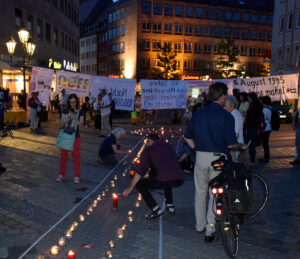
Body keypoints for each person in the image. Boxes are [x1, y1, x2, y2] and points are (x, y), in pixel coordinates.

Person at [185, 82, 243, 243]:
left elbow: (187, 137)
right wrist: (242, 145)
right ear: (223, 96)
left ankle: (199, 225)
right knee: (214, 194)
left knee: (200, 192)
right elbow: (231, 145)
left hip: (201, 157)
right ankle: (209, 230)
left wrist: (197, 149)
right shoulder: (227, 116)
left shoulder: (199, 114)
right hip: (218, 159)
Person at [123, 134, 185, 219]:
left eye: (147, 142)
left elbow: (140, 171)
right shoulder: (168, 146)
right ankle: (170, 205)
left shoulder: (148, 150)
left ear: (150, 141)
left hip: (165, 178)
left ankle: (155, 209)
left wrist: (130, 188)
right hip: (179, 178)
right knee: (165, 174)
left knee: (140, 185)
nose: (146, 144)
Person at [56, 94, 84, 184]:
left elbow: (81, 125)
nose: (73, 104)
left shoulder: (81, 111)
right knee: (63, 157)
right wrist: (68, 117)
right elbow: (61, 125)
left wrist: (75, 118)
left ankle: (77, 176)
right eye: (71, 102)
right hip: (65, 136)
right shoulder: (64, 110)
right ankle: (61, 174)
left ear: (77, 102)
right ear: (68, 102)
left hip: (75, 137)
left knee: (76, 157)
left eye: (74, 102)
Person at [244, 92, 263, 166]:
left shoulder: (255, 106)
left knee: (250, 144)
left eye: (249, 98)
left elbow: (252, 117)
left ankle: (252, 161)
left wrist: (247, 115)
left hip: (252, 127)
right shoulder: (256, 105)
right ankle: (252, 160)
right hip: (252, 127)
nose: (248, 100)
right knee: (251, 144)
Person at [225, 96, 244, 162]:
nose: (224, 107)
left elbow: (236, 134)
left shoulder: (235, 115)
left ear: (232, 105)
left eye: (226, 105)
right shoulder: (234, 114)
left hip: (236, 144)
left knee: (235, 165)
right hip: (235, 144)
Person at [260, 96, 272, 163]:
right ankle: (266, 157)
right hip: (268, 127)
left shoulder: (264, 109)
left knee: (265, 144)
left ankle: (266, 157)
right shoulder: (269, 108)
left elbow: (262, 119)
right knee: (265, 143)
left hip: (265, 128)